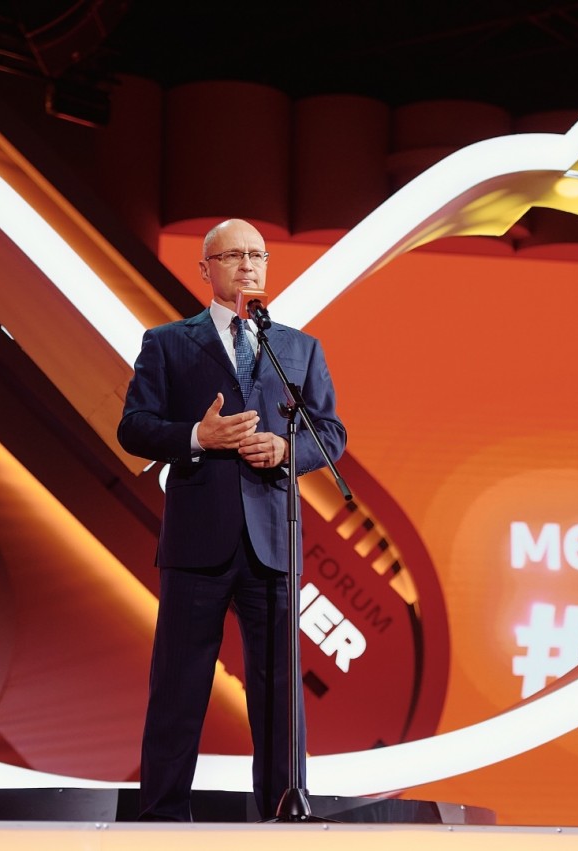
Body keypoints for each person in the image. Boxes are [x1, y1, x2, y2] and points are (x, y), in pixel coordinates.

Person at [118, 218, 347, 821]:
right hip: (198, 540)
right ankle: (162, 817)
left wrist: (286, 449)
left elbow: (330, 433)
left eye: (257, 255)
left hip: (273, 541)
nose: (248, 265)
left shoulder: (297, 347)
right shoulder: (167, 343)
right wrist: (199, 436)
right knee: (179, 685)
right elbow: (134, 428)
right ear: (206, 269)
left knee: (279, 691)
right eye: (233, 256)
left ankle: (284, 811)